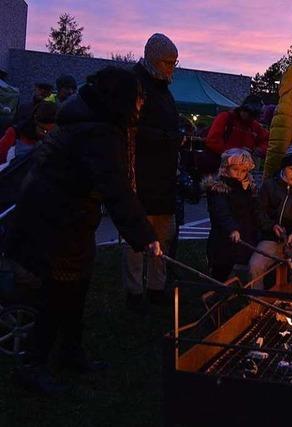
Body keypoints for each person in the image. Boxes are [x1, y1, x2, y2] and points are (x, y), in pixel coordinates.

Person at [7, 66, 161, 394]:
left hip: (72, 218)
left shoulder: (93, 120)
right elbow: (115, 186)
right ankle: (33, 364)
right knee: (56, 292)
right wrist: (145, 236)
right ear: (119, 98)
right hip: (53, 221)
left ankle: (70, 352)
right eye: (137, 100)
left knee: (77, 287)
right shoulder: (96, 130)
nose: (139, 107)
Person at [122, 33, 180, 310]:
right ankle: (134, 292)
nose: (172, 67)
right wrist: (167, 138)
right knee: (136, 238)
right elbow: (130, 131)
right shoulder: (135, 86)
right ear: (154, 59)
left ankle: (156, 287)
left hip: (163, 178)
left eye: (174, 62)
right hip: (140, 177)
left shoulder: (164, 90)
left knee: (162, 237)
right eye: (168, 62)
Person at [249, 140, 292, 289]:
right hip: (272, 238)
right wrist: (271, 226)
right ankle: (256, 303)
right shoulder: (269, 186)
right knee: (255, 265)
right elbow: (259, 211)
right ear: (284, 167)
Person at [203, 148, 258, 282]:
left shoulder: (248, 187)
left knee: (237, 265)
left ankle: (232, 288)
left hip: (243, 233)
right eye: (235, 169)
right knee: (221, 267)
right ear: (226, 168)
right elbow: (221, 212)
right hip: (223, 237)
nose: (239, 174)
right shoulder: (219, 188)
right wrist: (232, 228)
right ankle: (216, 292)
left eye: (244, 170)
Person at [205, 95, 269, 160]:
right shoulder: (226, 117)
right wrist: (227, 152)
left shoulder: (255, 126)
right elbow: (212, 139)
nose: (250, 118)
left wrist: (260, 150)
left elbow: (266, 141)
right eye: (249, 113)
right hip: (220, 160)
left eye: (254, 115)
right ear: (243, 109)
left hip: (243, 164)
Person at [0, 101, 56, 166]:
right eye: (44, 130)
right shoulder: (15, 133)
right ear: (35, 121)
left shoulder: (55, 140)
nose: (46, 135)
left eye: (51, 131)